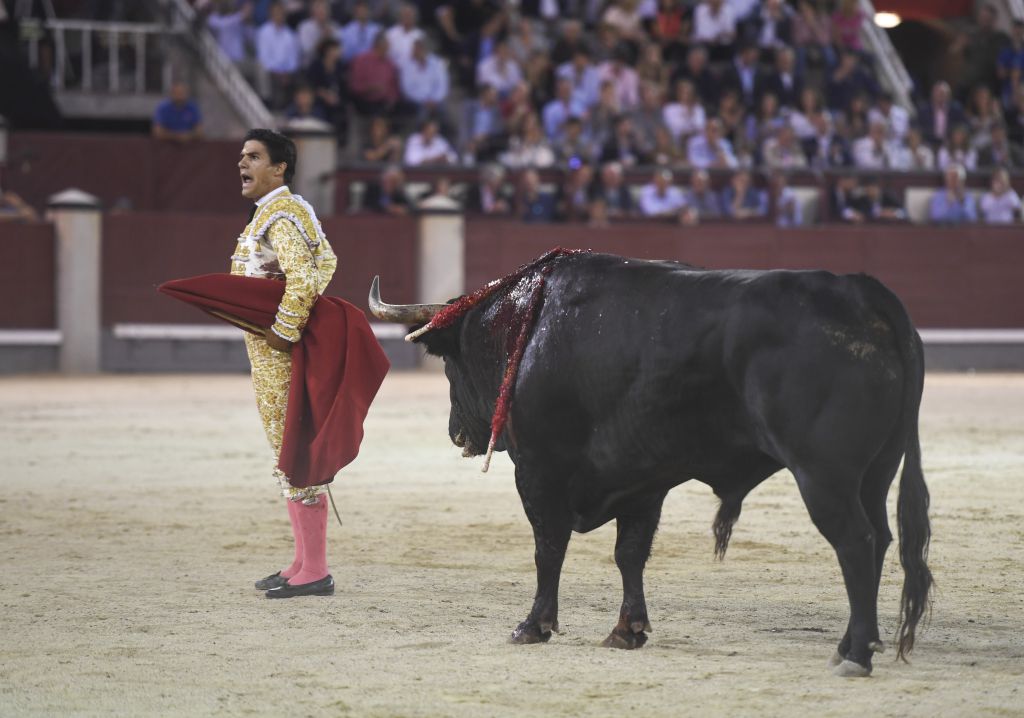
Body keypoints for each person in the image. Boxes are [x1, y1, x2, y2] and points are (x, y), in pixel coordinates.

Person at [232, 129, 338, 598]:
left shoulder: (277, 216)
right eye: (241, 157)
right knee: (287, 454)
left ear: (279, 168)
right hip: (276, 352)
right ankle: (302, 561)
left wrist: (284, 329)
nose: (242, 164)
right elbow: (327, 261)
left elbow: (304, 278)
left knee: (293, 454)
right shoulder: (287, 211)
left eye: (253, 157)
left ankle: (315, 569)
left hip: (279, 353)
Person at [256, 1, 301, 109]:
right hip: (271, 70)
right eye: (276, 12)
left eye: (281, 12)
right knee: (260, 67)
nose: (279, 15)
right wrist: (278, 71)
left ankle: (294, 108)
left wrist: (286, 72)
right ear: (270, 14)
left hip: (286, 72)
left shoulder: (290, 35)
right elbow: (264, 57)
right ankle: (266, 101)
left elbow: (293, 59)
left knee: (300, 73)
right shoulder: (263, 32)